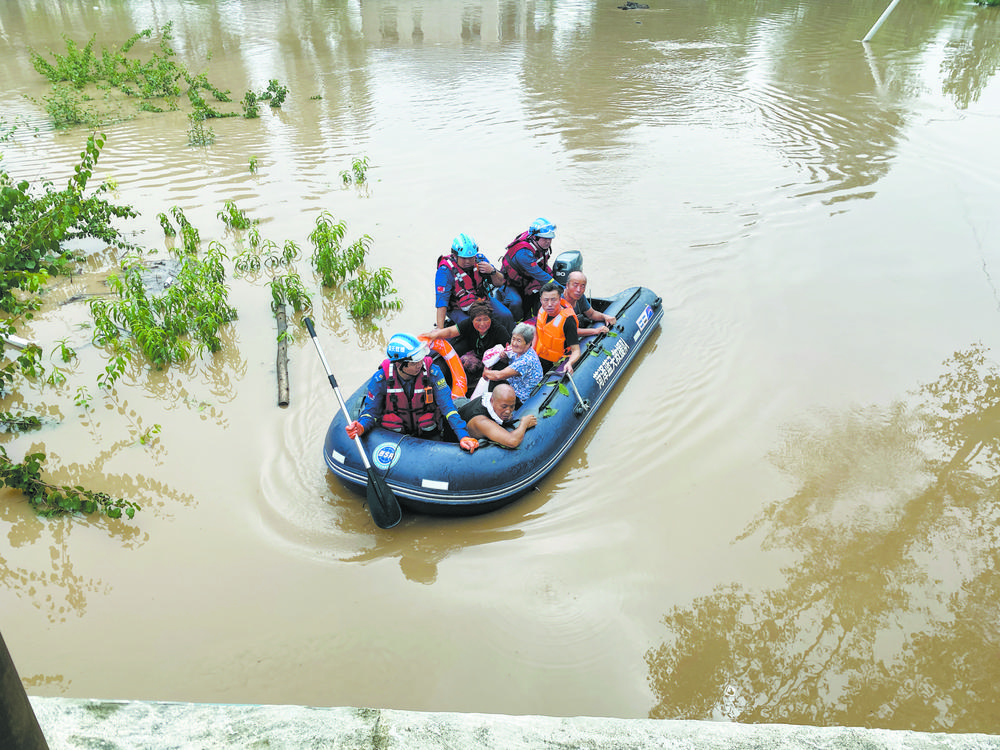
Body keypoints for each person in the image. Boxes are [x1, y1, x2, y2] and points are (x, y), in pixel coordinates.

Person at [345, 333, 479, 453]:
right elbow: (371, 412)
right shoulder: (381, 379)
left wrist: (463, 435)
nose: (420, 364)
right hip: (393, 436)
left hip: (427, 433)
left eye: (421, 359)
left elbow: (448, 407)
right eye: (414, 362)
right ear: (399, 364)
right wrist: (361, 426)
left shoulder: (433, 373)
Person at [420, 301, 510, 390]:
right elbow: (451, 332)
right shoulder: (468, 324)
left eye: (486, 319)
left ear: (490, 318)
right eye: (478, 320)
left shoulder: (499, 330)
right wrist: (434, 335)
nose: (482, 324)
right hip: (473, 353)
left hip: (491, 363)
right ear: (472, 320)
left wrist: (505, 358)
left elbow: (511, 352)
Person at [435, 232, 514, 333]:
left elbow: (500, 282)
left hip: (481, 299)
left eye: (471, 257)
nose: (468, 261)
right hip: (458, 307)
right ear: (455, 255)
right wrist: (440, 330)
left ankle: (511, 341)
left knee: (505, 315)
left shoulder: (480, 260)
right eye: (464, 258)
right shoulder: (445, 271)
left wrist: (492, 271)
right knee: (472, 327)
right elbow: (442, 302)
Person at [497, 217, 558, 321]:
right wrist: (561, 288)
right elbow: (539, 274)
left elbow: (542, 266)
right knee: (516, 302)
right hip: (511, 284)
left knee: (544, 296)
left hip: (528, 279)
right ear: (534, 237)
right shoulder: (523, 253)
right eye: (545, 238)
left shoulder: (540, 245)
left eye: (550, 238)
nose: (548, 242)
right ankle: (517, 323)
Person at [479, 322, 544, 406]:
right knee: (497, 365)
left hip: (521, 397)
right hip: (515, 383)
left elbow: (498, 376)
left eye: (519, 341)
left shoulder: (527, 360)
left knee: (494, 379)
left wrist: (485, 372)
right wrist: (504, 358)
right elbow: (509, 363)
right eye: (513, 339)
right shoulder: (517, 351)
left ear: (528, 344)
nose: (514, 343)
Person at [458, 383, 537, 449]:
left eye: (512, 406)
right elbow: (513, 441)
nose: (508, 411)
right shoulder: (481, 421)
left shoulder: (491, 399)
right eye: (504, 407)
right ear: (492, 400)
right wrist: (524, 424)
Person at [533, 281, 581, 374]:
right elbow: (537, 331)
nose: (549, 304)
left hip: (555, 363)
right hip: (539, 355)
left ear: (559, 300)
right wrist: (532, 351)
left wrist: (570, 363)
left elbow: (576, 350)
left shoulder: (568, 320)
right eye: (546, 300)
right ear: (541, 300)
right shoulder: (542, 309)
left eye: (553, 300)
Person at [561, 271, 616, 337]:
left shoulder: (580, 297)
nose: (579, 290)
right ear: (567, 285)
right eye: (575, 285)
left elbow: (591, 314)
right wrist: (596, 331)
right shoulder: (558, 302)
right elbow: (570, 331)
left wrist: (605, 317)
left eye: (582, 286)